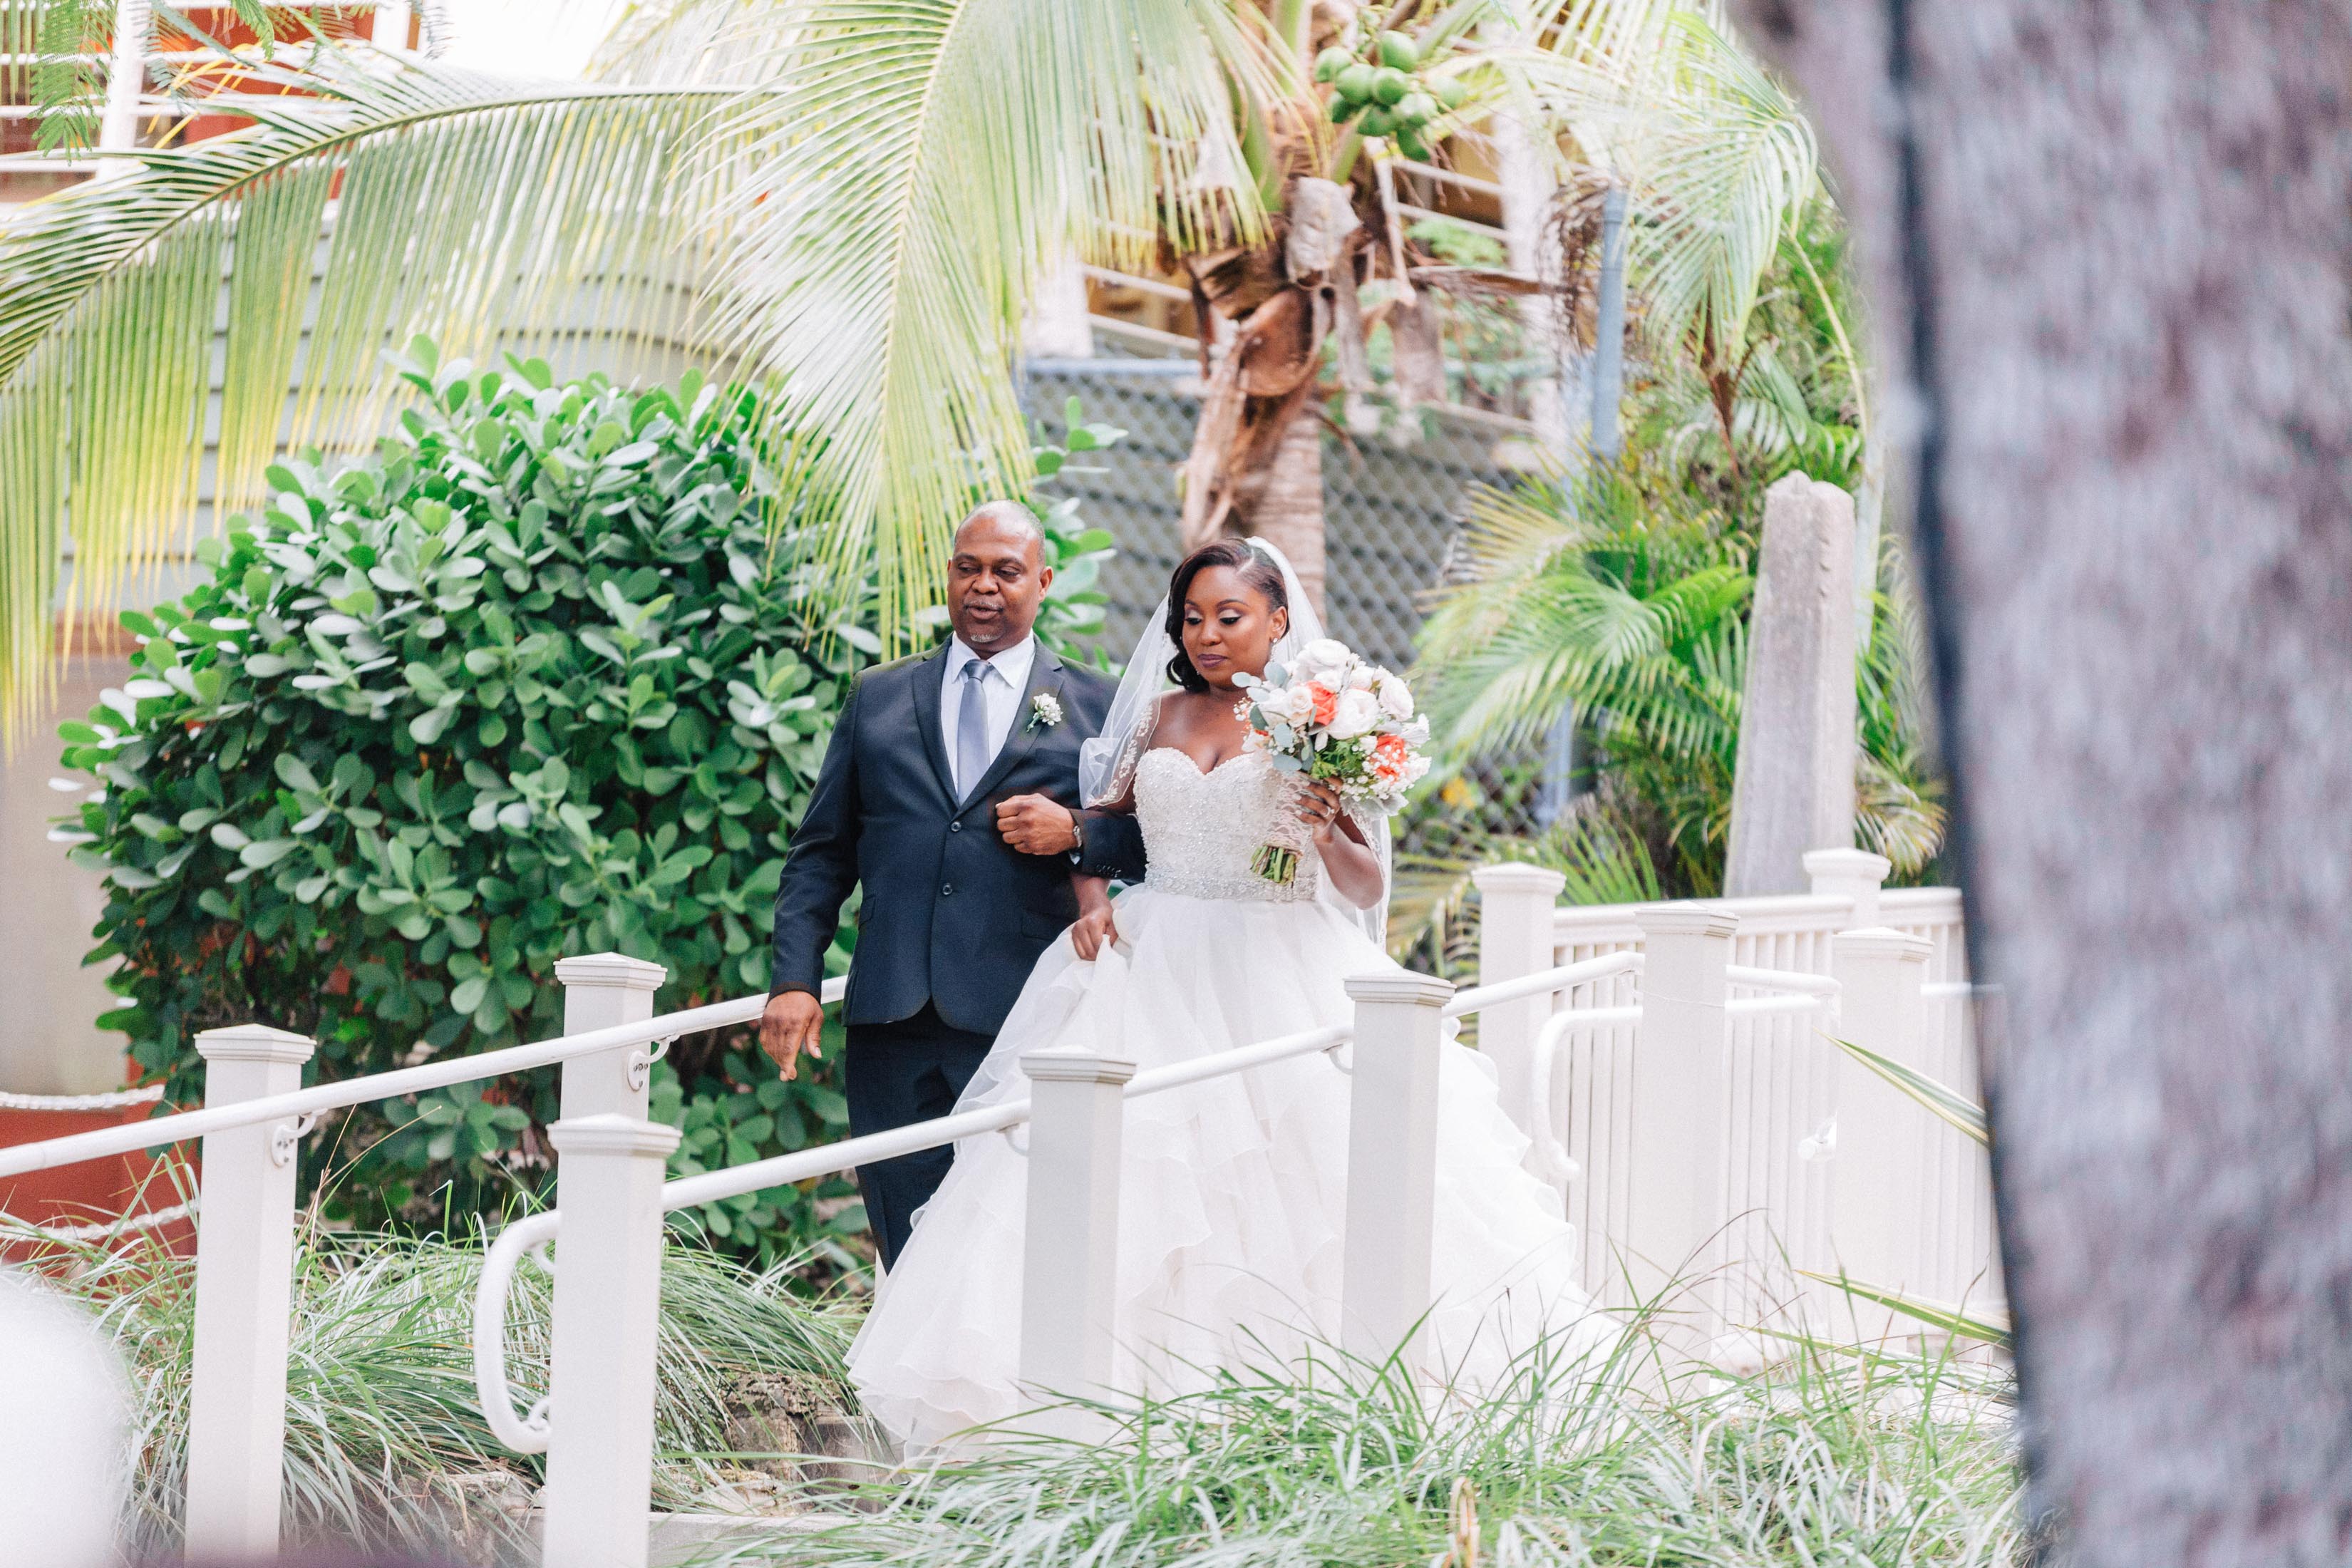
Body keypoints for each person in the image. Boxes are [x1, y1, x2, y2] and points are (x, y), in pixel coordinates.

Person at [847, 537, 1604, 1451]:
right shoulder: (1159, 714)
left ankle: (1285, 1420)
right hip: (1150, 961)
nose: (1207, 634)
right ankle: (1086, 1423)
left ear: (1277, 621)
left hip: (1280, 966)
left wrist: (1326, 828)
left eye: (1230, 617)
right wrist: (1089, 900)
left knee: (1281, 1188)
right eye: (1193, 617)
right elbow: (1103, 828)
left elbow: (1365, 887)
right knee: (1109, 1175)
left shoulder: (1320, 722)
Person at [760, 502, 1144, 1268]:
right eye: (969, 567)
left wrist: (1075, 830)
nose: (984, 586)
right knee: (904, 1240)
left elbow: (1153, 844)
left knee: (1008, 1240)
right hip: (890, 1017)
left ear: (1043, 580)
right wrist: (794, 979)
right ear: (949, 575)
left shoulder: (1098, 707)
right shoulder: (878, 695)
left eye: (1006, 571)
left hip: (1023, 1018)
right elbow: (820, 853)